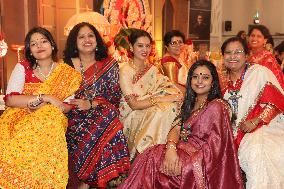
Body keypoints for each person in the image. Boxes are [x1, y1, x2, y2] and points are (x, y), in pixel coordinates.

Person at [118, 60, 244, 189]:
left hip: (202, 161)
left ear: (213, 83)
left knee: (153, 162)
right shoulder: (189, 104)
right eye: (195, 77)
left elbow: (216, 146)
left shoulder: (217, 106)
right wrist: (171, 150)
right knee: (148, 156)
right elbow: (176, 128)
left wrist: (189, 160)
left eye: (205, 77)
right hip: (180, 150)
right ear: (190, 81)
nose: (199, 81)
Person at [0, 27, 82, 188]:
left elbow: (66, 106)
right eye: (33, 44)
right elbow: (10, 99)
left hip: (51, 122)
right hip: (20, 118)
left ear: (52, 45)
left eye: (43, 41)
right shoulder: (23, 67)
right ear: (30, 51)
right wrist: (46, 97)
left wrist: (49, 105)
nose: (39, 46)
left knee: (50, 114)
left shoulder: (66, 73)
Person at [63, 22, 130, 189]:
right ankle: (92, 180)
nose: (87, 39)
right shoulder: (65, 65)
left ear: (97, 40)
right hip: (72, 113)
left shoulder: (109, 64)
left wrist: (91, 104)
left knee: (108, 116)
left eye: (91, 35)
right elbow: (60, 94)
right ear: (74, 41)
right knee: (105, 122)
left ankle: (85, 183)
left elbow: (114, 97)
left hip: (100, 110)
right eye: (82, 36)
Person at [221, 37, 284, 188]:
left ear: (246, 55)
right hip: (231, 132)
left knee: (257, 151)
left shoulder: (259, 72)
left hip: (263, 126)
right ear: (223, 57)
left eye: (238, 52)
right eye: (228, 53)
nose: (233, 56)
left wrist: (256, 121)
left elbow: (276, 103)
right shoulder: (221, 81)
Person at [119, 29, 183, 160]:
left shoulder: (152, 69)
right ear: (131, 47)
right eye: (140, 45)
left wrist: (175, 95)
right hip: (131, 115)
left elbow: (166, 86)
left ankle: (159, 152)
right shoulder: (126, 70)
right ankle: (146, 153)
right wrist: (162, 98)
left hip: (150, 110)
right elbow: (134, 104)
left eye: (148, 46)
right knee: (161, 110)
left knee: (171, 107)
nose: (145, 50)